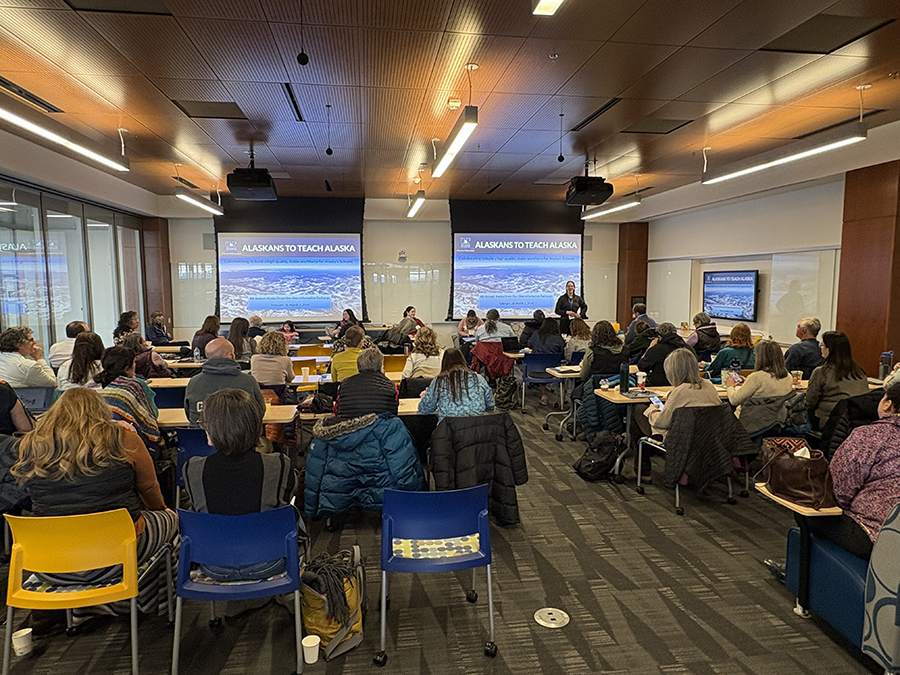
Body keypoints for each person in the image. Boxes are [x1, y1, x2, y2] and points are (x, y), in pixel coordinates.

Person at [11, 387, 177, 615]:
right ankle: (149, 602)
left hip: (49, 562)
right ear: (100, 411)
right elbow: (149, 487)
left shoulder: (29, 446)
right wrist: (162, 511)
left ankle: (79, 611)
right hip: (118, 555)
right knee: (173, 522)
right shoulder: (123, 440)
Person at [183, 389, 297, 581]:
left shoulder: (192, 469)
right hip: (270, 561)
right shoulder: (278, 464)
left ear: (214, 428)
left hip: (214, 564)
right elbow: (284, 502)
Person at [808, 382, 900, 560]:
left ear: (888, 404)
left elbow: (836, 490)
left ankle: (801, 576)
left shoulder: (869, 436)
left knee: (806, 512)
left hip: (875, 535)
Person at [89, 346, 161, 453]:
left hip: (95, 445)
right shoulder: (135, 385)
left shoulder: (90, 387)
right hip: (129, 445)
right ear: (127, 368)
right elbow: (152, 414)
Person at [184, 337, 265, 427]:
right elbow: (260, 412)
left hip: (198, 438)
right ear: (230, 356)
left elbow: (189, 414)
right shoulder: (248, 381)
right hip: (239, 438)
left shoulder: (194, 382)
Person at [644, 348, 722, 437]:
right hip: (710, 439)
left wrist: (652, 410)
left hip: (681, 442)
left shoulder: (680, 392)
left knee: (639, 411)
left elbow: (662, 422)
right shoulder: (709, 385)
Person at [806, 331, 870, 428]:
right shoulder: (859, 371)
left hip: (829, 422)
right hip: (857, 422)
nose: (821, 349)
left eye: (822, 345)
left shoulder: (821, 372)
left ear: (829, 349)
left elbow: (810, 402)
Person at [418, 349, 495, 422]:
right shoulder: (478, 378)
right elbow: (491, 405)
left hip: (449, 431)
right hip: (477, 431)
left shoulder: (439, 380)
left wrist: (426, 397)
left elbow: (425, 409)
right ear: (463, 361)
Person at [725, 339, 793, 417]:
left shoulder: (756, 378)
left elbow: (734, 400)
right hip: (776, 420)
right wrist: (748, 382)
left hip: (749, 421)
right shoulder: (788, 377)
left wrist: (729, 386)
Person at [334, 347, 398, 418]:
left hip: (350, 427)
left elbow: (336, 410)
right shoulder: (392, 387)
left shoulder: (344, 385)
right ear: (380, 367)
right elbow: (394, 410)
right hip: (382, 427)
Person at [637, 323, 693, 387]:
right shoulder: (688, 348)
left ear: (659, 337)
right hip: (686, 387)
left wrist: (650, 347)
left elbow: (642, 366)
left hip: (659, 386)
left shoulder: (656, 349)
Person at [529, 317, 566, 405]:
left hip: (534, 371)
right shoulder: (558, 338)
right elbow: (561, 353)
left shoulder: (535, 334)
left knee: (541, 365)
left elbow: (529, 344)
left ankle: (544, 395)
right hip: (554, 372)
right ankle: (559, 398)